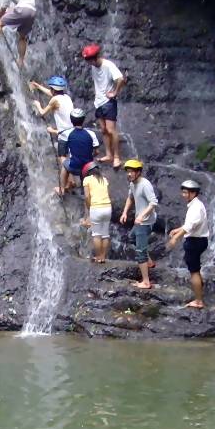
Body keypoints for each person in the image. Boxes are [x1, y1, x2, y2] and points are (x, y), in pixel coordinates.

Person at [80, 43, 126, 168]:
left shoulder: (108, 65)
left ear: (95, 57)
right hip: (98, 102)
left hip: (108, 102)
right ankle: (108, 154)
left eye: (89, 60)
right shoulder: (93, 67)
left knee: (111, 130)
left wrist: (115, 93)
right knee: (104, 130)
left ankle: (116, 157)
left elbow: (121, 79)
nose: (88, 63)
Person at [167, 180, 210, 310]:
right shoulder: (196, 205)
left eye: (186, 193)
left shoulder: (196, 207)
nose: (183, 195)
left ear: (193, 193)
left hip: (195, 241)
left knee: (194, 271)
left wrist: (175, 238)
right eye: (183, 192)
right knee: (195, 269)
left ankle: (198, 301)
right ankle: (199, 296)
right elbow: (190, 224)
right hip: (198, 240)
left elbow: (190, 226)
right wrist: (178, 230)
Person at [121, 159, 157, 289]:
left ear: (138, 172)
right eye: (128, 171)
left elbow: (153, 203)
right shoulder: (132, 184)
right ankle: (150, 262)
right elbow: (130, 198)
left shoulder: (145, 185)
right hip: (139, 221)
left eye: (131, 172)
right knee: (131, 238)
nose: (129, 174)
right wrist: (125, 212)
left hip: (145, 222)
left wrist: (142, 216)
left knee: (140, 252)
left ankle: (146, 282)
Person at [58, 109, 99, 198]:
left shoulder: (66, 133)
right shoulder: (91, 133)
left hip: (74, 167)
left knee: (65, 165)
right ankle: (85, 193)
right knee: (86, 165)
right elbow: (96, 151)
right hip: (88, 168)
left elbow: (62, 151)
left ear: (71, 120)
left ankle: (62, 189)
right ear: (83, 120)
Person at [81, 163, 112, 262]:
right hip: (107, 207)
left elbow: (87, 196)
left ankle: (98, 257)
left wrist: (89, 207)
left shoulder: (87, 179)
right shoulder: (104, 179)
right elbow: (107, 194)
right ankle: (103, 256)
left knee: (96, 234)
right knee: (105, 234)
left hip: (96, 207)